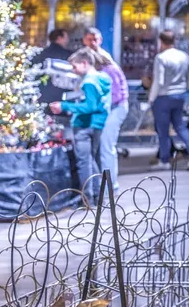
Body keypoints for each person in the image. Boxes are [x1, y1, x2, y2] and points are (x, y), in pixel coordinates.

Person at [50, 47, 111, 204]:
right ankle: (98, 196)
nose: (73, 70)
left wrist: (64, 106)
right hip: (97, 124)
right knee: (91, 160)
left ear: (84, 63)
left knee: (84, 162)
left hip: (84, 124)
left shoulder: (89, 82)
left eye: (74, 66)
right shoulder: (101, 78)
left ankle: (87, 198)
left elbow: (90, 106)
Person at [83, 29, 129, 191]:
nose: (92, 42)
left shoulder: (104, 62)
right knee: (101, 146)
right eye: (89, 39)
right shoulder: (90, 58)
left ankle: (111, 187)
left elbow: (116, 94)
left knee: (106, 146)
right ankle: (102, 185)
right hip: (108, 108)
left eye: (95, 39)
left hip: (115, 107)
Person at [148, 29, 189, 169]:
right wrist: (183, 88)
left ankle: (164, 160)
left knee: (163, 130)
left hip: (163, 97)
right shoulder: (183, 56)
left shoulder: (161, 58)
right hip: (179, 96)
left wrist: (151, 98)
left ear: (161, 41)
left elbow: (159, 81)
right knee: (180, 125)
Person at [34, 29, 73, 105]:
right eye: (66, 37)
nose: (68, 40)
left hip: (43, 94)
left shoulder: (40, 54)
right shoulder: (69, 55)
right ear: (59, 38)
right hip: (62, 97)